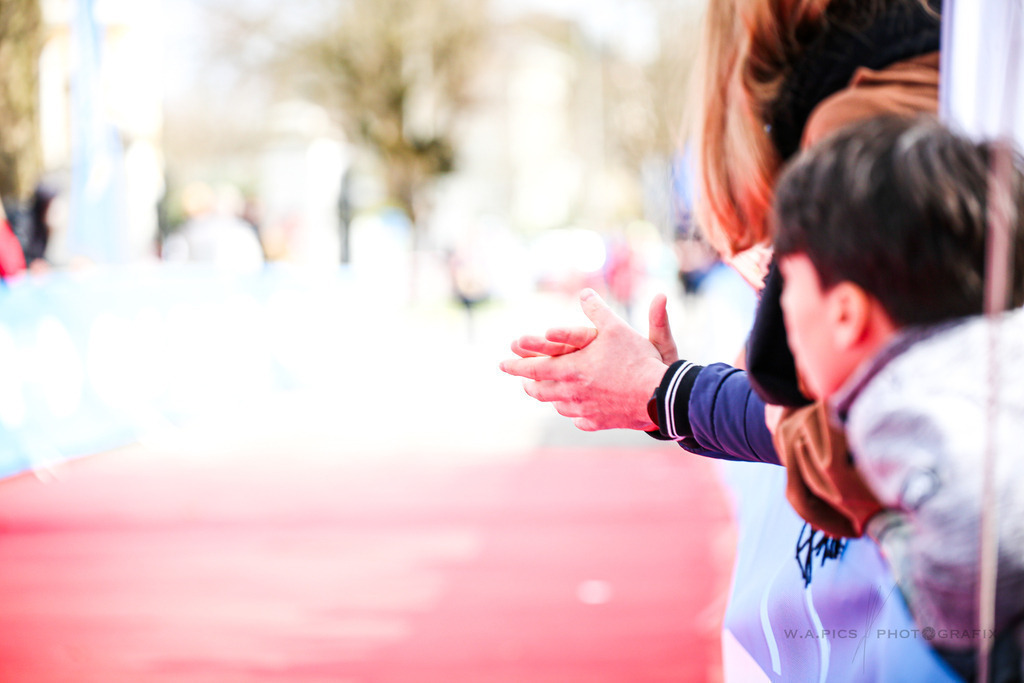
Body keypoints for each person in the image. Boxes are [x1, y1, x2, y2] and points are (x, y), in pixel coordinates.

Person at [500, 0, 942, 465]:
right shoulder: (873, 84)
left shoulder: (859, 117)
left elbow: (837, 435)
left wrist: (660, 391)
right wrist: (663, 388)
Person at [771, 114, 1024, 680]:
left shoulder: (900, 411)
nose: (780, 313)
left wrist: (895, 543)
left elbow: (971, 593)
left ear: (845, 315)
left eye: (787, 286)